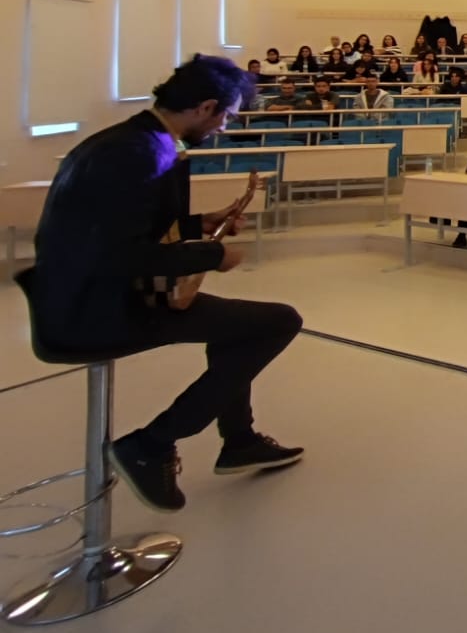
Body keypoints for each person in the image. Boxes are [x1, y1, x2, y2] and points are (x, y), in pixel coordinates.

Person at [32, 55, 303, 513]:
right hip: (91, 310)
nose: (223, 127)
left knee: (241, 326)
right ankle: (152, 444)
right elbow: (119, 255)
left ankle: (239, 441)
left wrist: (200, 223)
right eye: (225, 116)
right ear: (206, 106)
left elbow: (123, 227)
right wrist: (213, 255)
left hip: (81, 295)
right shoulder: (139, 154)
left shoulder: (131, 141)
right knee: (278, 322)